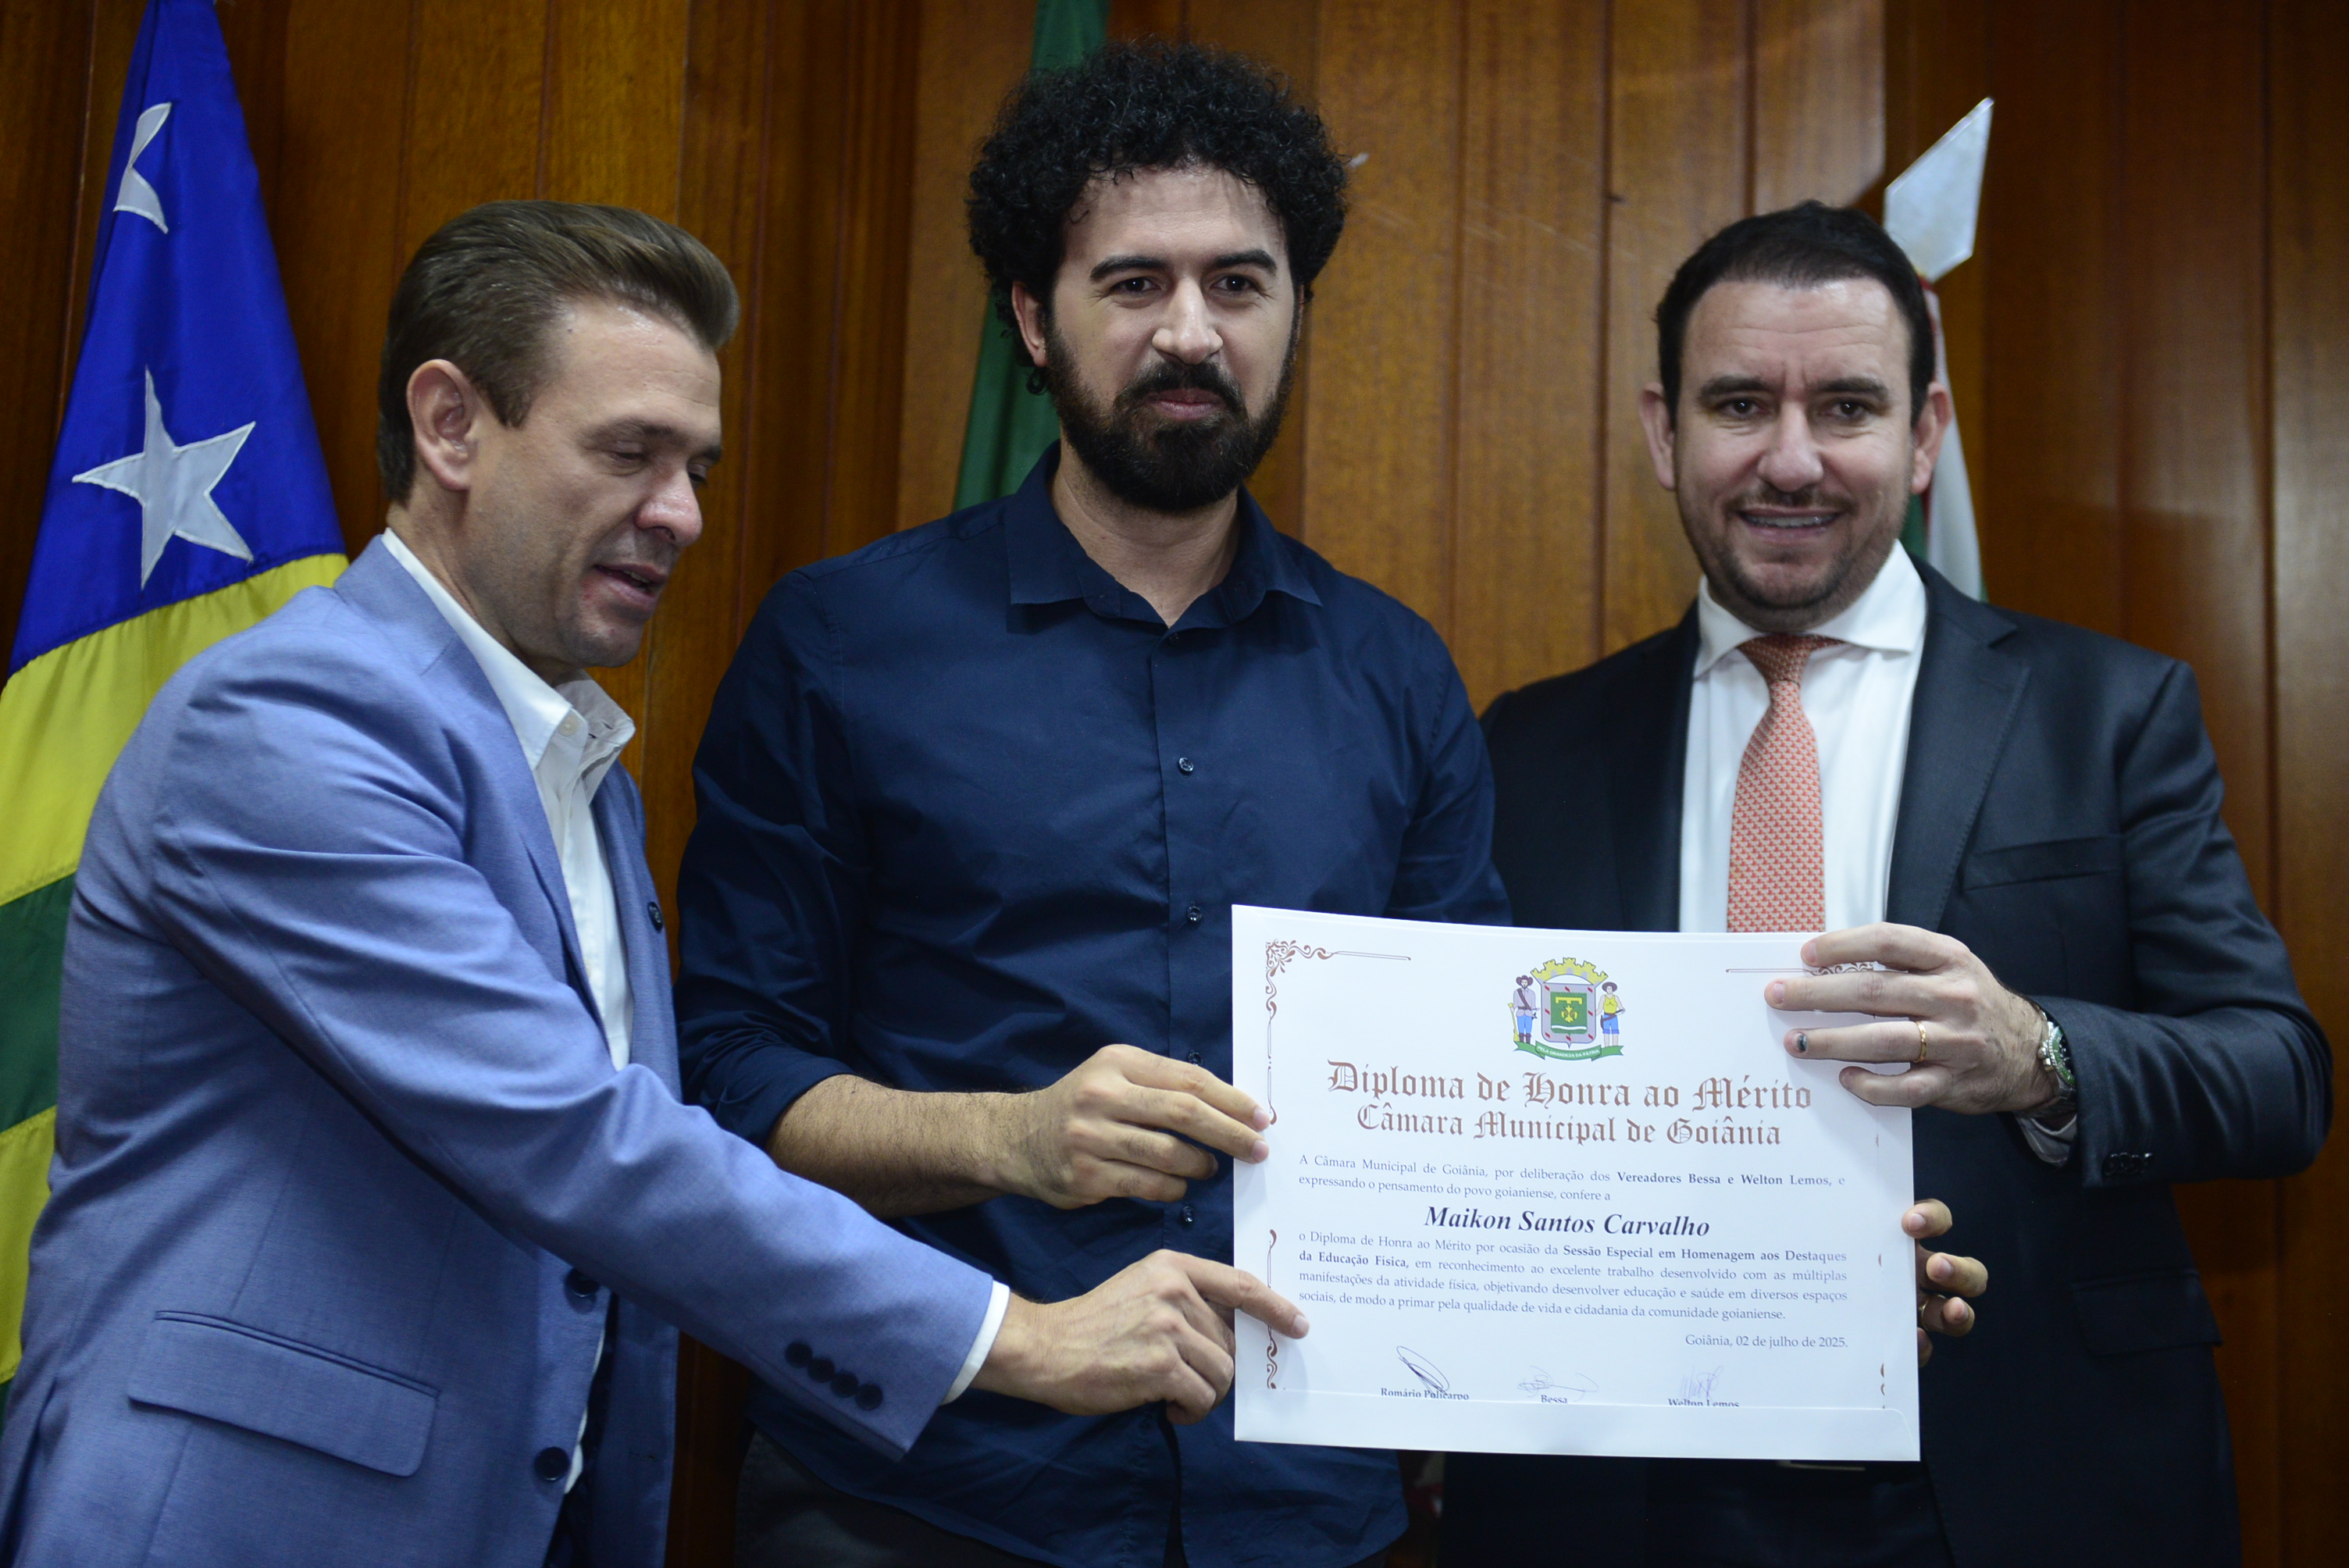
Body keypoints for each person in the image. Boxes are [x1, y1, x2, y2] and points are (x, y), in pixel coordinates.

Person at [675, 49, 1980, 1568]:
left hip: (1300, 1508)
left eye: (1239, 283)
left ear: (1294, 312)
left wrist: (1803, 1274)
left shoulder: (1394, 676)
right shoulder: (842, 642)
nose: (1189, 330)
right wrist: (1009, 1137)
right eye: (1132, 282)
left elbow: (1504, 1106)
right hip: (925, 1494)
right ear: (1033, 317)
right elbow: (727, 1070)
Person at [0, 201, 1303, 1568]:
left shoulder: (580, 769)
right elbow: (576, 1138)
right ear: (450, 427)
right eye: (628, 453)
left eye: (697, 466)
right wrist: (1016, 1336)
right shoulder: (290, 722)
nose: (681, 514)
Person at [1450, 200, 2330, 1567]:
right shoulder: (1532, 746)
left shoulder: (2108, 714)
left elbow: (2277, 1075)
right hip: (1628, 1492)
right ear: (1664, 432)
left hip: (2023, 1467)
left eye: (1847, 407)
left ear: (1924, 437)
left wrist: (2038, 1055)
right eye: (1740, 403)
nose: (1791, 459)